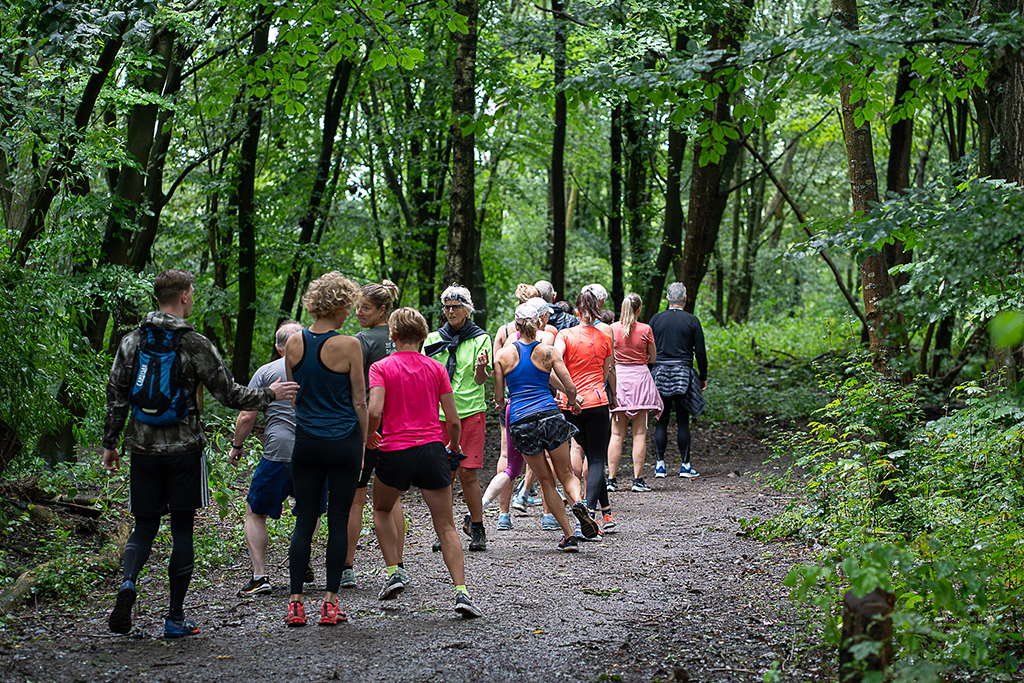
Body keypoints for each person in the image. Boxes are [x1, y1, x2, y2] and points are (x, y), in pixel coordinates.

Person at [103, 269, 299, 638]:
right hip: (185, 451)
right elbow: (229, 395)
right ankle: (174, 618)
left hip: (143, 449)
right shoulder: (194, 343)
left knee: (144, 524)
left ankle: (129, 582)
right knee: (182, 530)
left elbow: (116, 394)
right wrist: (271, 394)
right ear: (184, 297)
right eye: (191, 292)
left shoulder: (132, 341)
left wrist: (111, 443)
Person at [367, 307, 482, 618]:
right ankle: (461, 592)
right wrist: (454, 446)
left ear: (392, 336)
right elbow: (454, 420)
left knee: (381, 508)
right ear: (422, 336)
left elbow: (375, 411)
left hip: (394, 451)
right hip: (432, 450)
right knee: (445, 525)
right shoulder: (436, 368)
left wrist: (369, 436)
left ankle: (395, 571)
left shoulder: (380, 367)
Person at [282, 272, 368, 627]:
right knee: (337, 522)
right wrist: (364, 443)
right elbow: (359, 401)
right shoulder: (349, 346)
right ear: (340, 305)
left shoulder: (292, 343)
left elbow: (292, 395)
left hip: (305, 441)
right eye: (349, 304)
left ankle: (295, 603)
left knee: (304, 520)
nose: (351, 311)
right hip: (343, 442)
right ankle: (331, 604)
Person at [229, 320, 327, 596]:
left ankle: (260, 577)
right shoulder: (321, 367)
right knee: (310, 510)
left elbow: (247, 415)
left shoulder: (265, 372)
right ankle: (302, 554)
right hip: (315, 452)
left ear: (278, 346)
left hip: (278, 454)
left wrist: (237, 446)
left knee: (255, 512)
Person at [494, 304, 600, 551]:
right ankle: (579, 502)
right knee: (566, 474)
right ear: (538, 324)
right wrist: (573, 403)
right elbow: (570, 388)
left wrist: (503, 401)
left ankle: (569, 536)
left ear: (516, 325)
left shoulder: (502, 356)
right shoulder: (549, 352)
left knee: (545, 480)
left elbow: (500, 399)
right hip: (550, 416)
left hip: (522, 421)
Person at [342, 280, 406, 590]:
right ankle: (398, 565)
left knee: (356, 499)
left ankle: (347, 567)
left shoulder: (360, 341)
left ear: (382, 309)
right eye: (357, 307)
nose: (358, 312)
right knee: (391, 498)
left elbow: (351, 387)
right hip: (399, 423)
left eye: (365, 307)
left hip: (368, 424)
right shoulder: (400, 338)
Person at [423, 285, 491, 552]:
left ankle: (477, 528)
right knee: (444, 476)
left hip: (471, 411)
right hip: (439, 414)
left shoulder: (480, 339)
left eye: (457, 306)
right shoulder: (431, 340)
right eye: (447, 307)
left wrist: (482, 369)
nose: (451, 311)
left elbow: (480, 380)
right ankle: (445, 530)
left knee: (467, 473)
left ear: (467, 309)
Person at [555, 290, 617, 534]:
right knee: (597, 458)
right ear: (597, 313)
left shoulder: (564, 335)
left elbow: (555, 360)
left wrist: (568, 391)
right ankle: (589, 516)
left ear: (577, 312)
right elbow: (605, 372)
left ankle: (604, 513)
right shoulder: (605, 338)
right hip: (598, 402)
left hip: (571, 406)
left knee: (591, 454)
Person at [649, 282, 708, 478]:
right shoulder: (692, 320)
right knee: (683, 421)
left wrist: (650, 372)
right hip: (684, 373)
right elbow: (700, 352)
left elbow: (647, 350)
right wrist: (703, 377)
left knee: (661, 421)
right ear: (684, 299)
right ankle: (685, 465)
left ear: (667, 298)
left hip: (660, 373)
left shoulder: (656, 320)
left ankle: (660, 466)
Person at [607, 293, 663, 493]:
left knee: (616, 434)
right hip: (640, 381)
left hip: (619, 381)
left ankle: (611, 480)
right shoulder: (646, 329)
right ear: (639, 309)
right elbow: (653, 357)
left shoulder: (612, 329)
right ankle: (637, 480)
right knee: (640, 434)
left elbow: (609, 358)